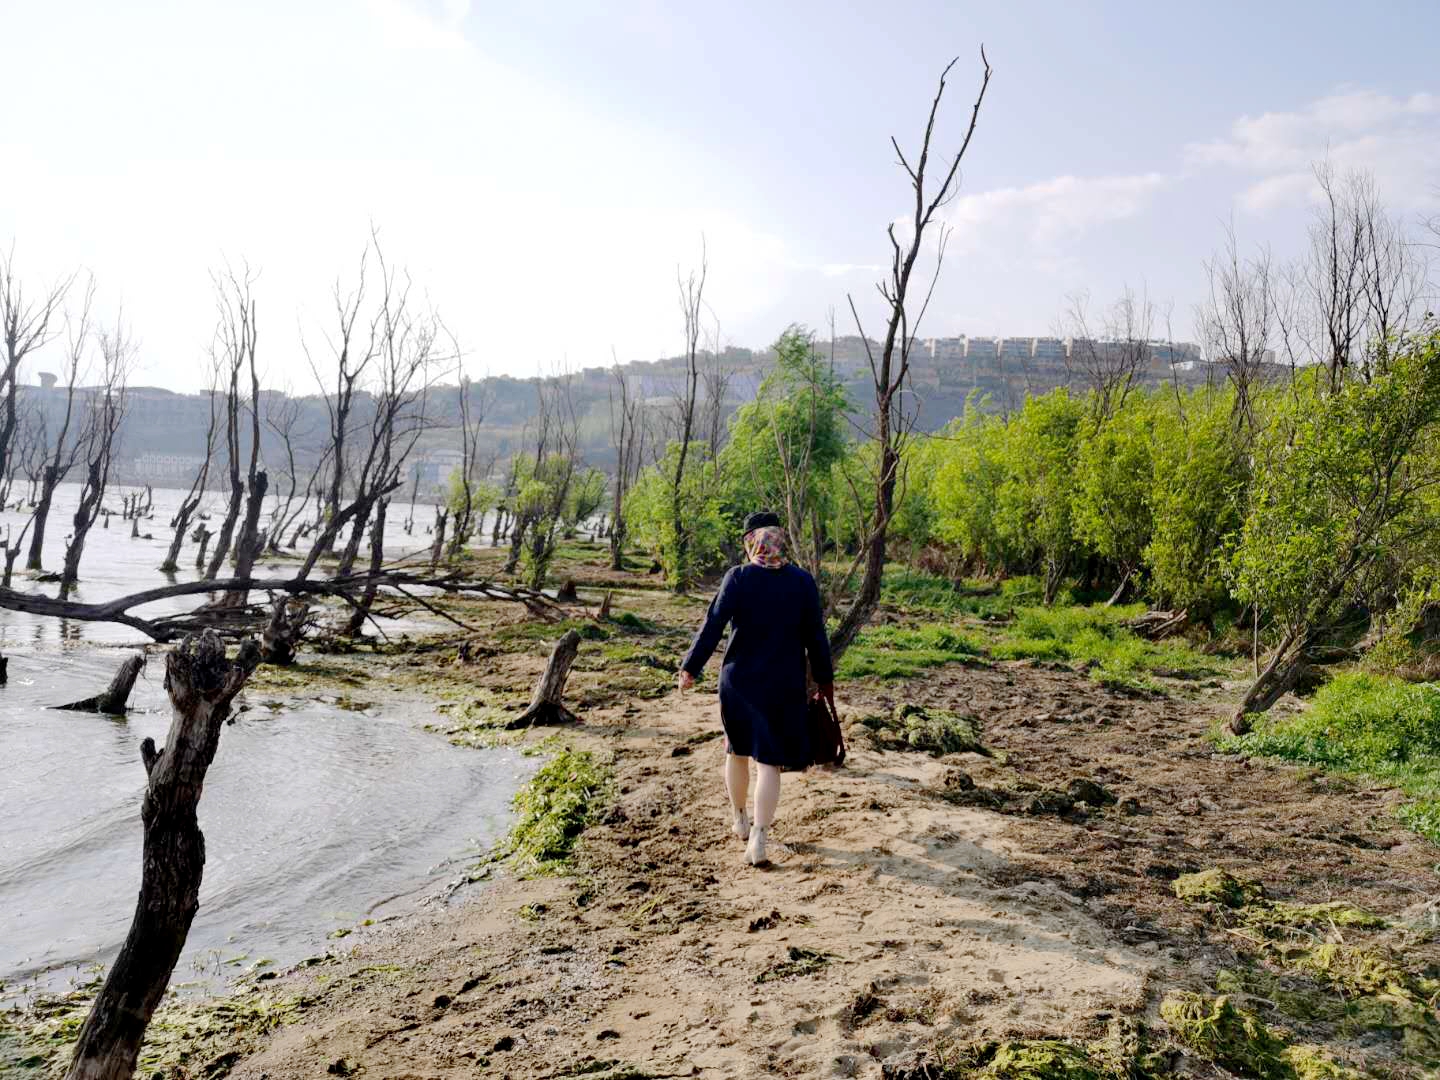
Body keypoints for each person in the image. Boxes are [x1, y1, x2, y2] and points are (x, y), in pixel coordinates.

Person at [677, 511, 835, 866]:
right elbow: (816, 636)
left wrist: (690, 667)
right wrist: (825, 681)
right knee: (769, 762)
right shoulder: (802, 581)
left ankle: (739, 819)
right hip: (783, 684)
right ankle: (759, 838)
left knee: (736, 751)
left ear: (751, 543)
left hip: (739, 682)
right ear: (780, 540)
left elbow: (713, 625)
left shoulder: (738, 577)